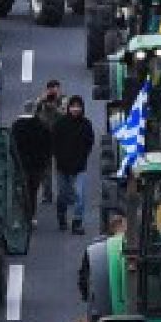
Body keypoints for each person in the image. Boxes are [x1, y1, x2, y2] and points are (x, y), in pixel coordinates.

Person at [51, 95, 94, 235]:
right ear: (69, 108)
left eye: (78, 106)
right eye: (73, 106)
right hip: (62, 166)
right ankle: (61, 216)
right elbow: (54, 143)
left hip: (79, 167)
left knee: (79, 195)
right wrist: (59, 158)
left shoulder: (86, 124)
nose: (75, 109)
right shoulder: (60, 124)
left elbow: (89, 143)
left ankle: (77, 222)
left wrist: (83, 157)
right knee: (63, 194)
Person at [12, 100, 51, 219]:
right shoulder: (41, 125)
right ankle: (31, 215)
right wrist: (45, 161)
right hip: (37, 165)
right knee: (32, 191)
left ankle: (21, 216)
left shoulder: (16, 125)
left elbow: (12, 146)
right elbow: (48, 145)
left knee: (20, 191)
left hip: (20, 164)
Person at [34, 80, 65, 203]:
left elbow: (66, 115)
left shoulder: (64, 100)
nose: (53, 92)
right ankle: (47, 194)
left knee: (62, 167)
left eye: (55, 89)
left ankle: (64, 193)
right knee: (46, 168)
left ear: (59, 89)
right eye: (50, 89)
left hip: (60, 137)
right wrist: (41, 102)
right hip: (45, 137)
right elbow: (34, 114)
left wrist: (55, 107)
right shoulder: (42, 100)